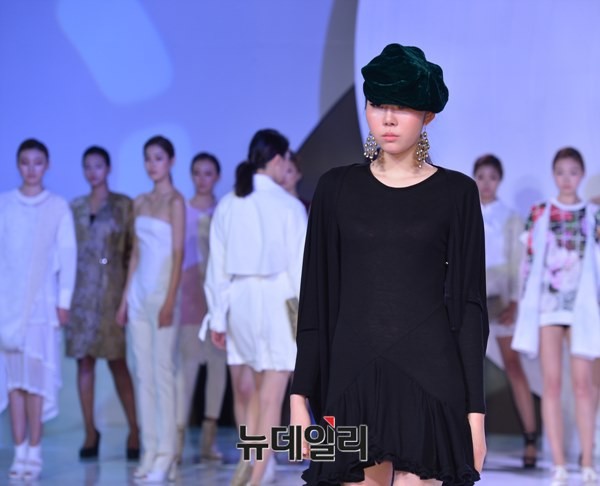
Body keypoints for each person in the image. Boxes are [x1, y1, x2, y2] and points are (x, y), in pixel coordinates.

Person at [290, 44, 488, 486]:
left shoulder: (457, 193)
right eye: (378, 104)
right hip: (352, 378)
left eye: (403, 107)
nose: (389, 119)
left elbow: (469, 306)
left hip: (431, 381)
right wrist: (299, 396)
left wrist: (475, 414)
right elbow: (317, 298)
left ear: (428, 115)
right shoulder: (335, 189)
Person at [203, 129, 308, 486]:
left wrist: (218, 318)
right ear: (277, 159)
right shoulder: (289, 207)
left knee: (253, 395)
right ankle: (254, 477)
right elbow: (300, 272)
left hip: (241, 302)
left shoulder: (229, 203)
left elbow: (216, 268)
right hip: (279, 302)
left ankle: (252, 468)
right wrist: (304, 323)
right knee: (269, 398)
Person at [512, 147, 600, 486]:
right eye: (561, 172)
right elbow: (528, 262)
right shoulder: (540, 212)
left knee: (584, 385)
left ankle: (588, 461)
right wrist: (523, 304)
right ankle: (558, 464)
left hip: (583, 307)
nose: (566, 178)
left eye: (573, 172)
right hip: (548, 306)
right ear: (553, 174)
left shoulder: (593, 214)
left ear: (581, 174)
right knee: (551, 384)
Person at [0, 139, 77, 481]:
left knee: (36, 381)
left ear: (47, 165)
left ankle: (35, 450)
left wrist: (64, 302)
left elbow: (68, 255)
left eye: (37, 162)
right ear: (18, 165)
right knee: (13, 381)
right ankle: (19, 451)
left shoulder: (57, 206)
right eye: (25, 162)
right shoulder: (5, 204)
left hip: (41, 305)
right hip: (7, 305)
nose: (31, 169)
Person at [116, 135, 185, 482]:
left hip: (162, 294)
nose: (152, 164)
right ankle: (149, 450)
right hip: (139, 296)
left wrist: (170, 299)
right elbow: (135, 255)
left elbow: (178, 254)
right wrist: (125, 298)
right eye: (147, 158)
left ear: (171, 161)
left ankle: (167, 454)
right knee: (142, 374)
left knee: (162, 373)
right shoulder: (139, 202)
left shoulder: (176, 202)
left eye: (158, 158)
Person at [66, 146, 140, 460]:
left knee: (117, 362)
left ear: (108, 168)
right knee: (84, 362)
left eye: (98, 166)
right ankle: (89, 431)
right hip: (81, 295)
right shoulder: (75, 207)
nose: (93, 172)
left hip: (112, 293)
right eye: (88, 166)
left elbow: (133, 252)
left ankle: (135, 430)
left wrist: (126, 299)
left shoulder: (124, 205)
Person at [473, 154, 538, 468]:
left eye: (492, 177)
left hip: (500, 298)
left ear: (499, 181)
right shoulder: (466, 212)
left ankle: (530, 439)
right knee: (469, 372)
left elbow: (517, 262)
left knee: (513, 365)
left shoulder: (511, 217)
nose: (486, 183)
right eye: (481, 177)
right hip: (471, 297)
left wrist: (514, 301)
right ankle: (471, 443)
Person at [174, 152, 227, 462]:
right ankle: (178, 440)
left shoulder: (225, 209)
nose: (202, 179)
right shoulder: (182, 210)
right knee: (188, 368)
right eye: (197, 173)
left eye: (208, 173)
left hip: (218, 300)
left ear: (217, 176)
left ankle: (209, 440)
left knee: (218, 370)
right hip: (190, 295)